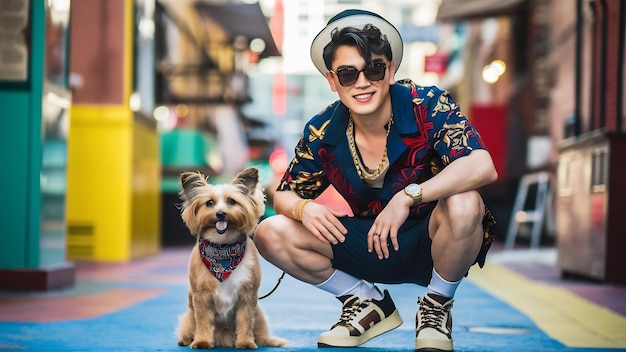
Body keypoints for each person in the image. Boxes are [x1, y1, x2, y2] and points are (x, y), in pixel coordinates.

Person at [253, 9, 498, 352]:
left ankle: (436, 308)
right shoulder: (322, 130)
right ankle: (366, 303)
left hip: (432, 240)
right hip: (366, 242)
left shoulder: (426, 104)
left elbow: (482, 165)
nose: (363, 82)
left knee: (466, 201)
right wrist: (304, 208)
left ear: (391, 70)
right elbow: (285, 194)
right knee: (270, 231)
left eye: (374, 69)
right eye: (348, 74)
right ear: (332, 80)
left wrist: (408, 197)